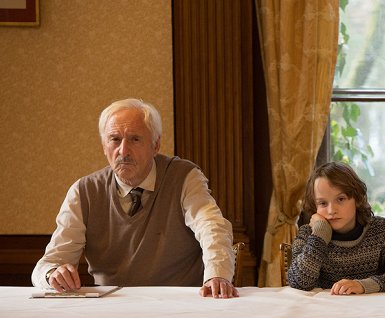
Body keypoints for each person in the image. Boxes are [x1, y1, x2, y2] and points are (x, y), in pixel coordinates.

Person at [32, 98, 238, 298]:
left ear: (156, 145)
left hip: (179, 303)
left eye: (135, 139)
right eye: (114, 139)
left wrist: (217, 275)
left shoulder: (184, 177)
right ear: (104, 146)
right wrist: (52, 275)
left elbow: (212, 227)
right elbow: (49, 263)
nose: (123, 151)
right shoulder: (84, 191)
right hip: (112, 308)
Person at [287, 161, 385, 294]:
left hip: (372, 309)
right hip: (325, 309)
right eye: (323, 203)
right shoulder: (308, 234)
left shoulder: (381, 230)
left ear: (357, 198)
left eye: (341, 199)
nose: (331, 210)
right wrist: (319, 236)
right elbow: (298, 282)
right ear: (315, 206)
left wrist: (363, 285)